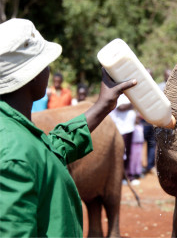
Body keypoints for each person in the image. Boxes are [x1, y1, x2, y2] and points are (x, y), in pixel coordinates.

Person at [0, 18, 136, 237]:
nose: (49, 70)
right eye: (45, 63)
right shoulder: (12, 154)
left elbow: (48, 151)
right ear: (31, 74)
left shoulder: (13, 127)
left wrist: (103, 105)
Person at [109, 93, 136, 180]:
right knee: (120, 153)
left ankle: (126, 175)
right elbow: (121, 107)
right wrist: (133, 104)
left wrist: (132, 104)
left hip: (129, 128)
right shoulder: (117, 94)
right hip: (120, 129)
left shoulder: (130, 94)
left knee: (128, 153)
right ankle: (119, 176)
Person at [142, 68, 157, 174]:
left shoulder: (155, 88)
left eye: (150, 74)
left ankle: (150, 166)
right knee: (137, 145)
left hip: (152, 121)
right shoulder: (136, 86)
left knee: (152, 144)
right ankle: (136, 168)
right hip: (141, 122)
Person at [127, 113, 144, 185]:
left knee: (138, 159)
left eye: (138, 118)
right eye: (136, 118)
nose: (137, 120)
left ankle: (138, 172)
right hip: (133, 144)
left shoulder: (141, 126)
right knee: (133, 159)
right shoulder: (132, 127)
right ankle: (132, 172)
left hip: (140, 144)